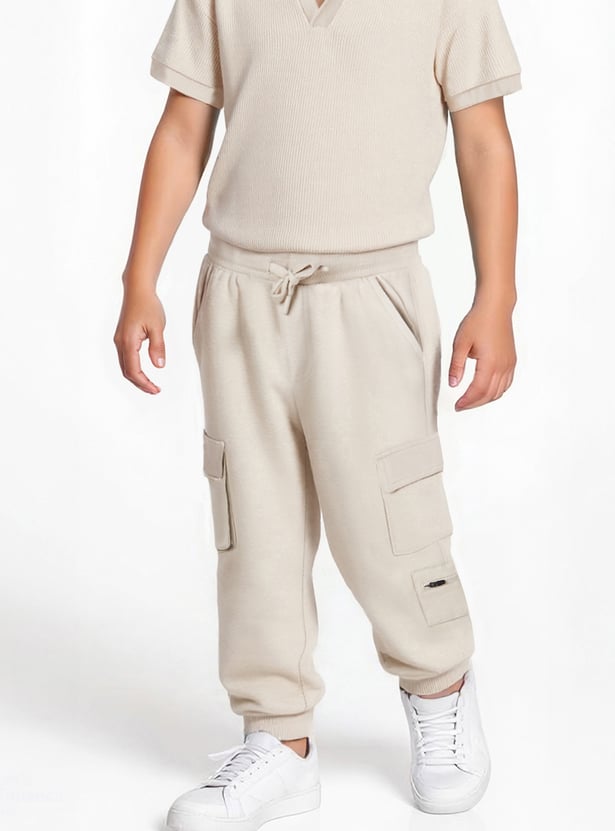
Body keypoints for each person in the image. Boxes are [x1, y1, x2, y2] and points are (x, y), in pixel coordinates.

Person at [114, 0, 522, 827]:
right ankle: (278, 736)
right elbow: (184, 127)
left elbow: (482, 138)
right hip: (240, 288)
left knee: (390, 520)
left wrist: (497, 297)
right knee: (253, 524)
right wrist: (139, 280)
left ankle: (439, 685)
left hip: (369, 292)